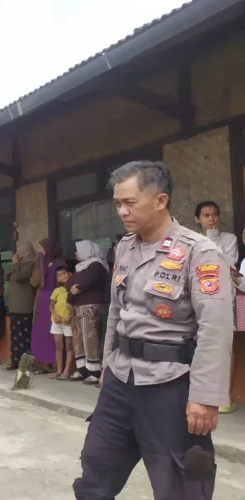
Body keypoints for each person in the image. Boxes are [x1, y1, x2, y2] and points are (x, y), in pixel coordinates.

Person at [73, 160, 232, 500]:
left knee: (181, 483)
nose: (122, 211)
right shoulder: (126, 246)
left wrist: (205, 397)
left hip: (170, 385)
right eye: (117, 203)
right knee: (95, 470)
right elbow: (117, 309)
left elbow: (215, 329)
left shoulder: (200, 252)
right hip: (121, 378)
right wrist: (107, 363)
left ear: (160, 200)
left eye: (130, 202)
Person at [195, 200, 239, 414]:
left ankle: (226, 397)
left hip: (223, 300)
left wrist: (212, 239)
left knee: (224, 349)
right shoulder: (192, 241)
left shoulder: (229, 239)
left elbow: (228, 263)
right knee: (198, 347)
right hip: (197, 302)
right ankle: (199, 396)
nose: (211, 219)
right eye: (206, 215)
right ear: (198, 219)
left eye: (214, 214)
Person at [67, 240, 110, 386]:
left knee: (90, 338)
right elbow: (69, 283)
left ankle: (94, 371)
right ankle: (82, 368)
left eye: (78, 250)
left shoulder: (96, 265)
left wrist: (74, 288)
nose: (75, 253)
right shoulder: (79, 267)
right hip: (77, 306)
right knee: (78, 338)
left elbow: (83, 284)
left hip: (91, 306)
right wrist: (72, 289)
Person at [30, 238, 66, 373]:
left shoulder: (59, 264)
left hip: (54, 301)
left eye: (41, 248)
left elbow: (63, 283)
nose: (39, 251)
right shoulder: (42, 264)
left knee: (53, 332)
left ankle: (57, 364)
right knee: (41, 332)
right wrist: (39, 265)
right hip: (41, 301)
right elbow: (33, 282)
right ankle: (45, 364)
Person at [5, 241, 38, 371]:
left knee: (25, 338)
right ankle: (15, 361)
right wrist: (15, 264)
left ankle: (26, 364)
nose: (17, 253)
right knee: (15, 337)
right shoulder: (19, 265)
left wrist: (16, 264)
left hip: (25, 308)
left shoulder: (30, 265)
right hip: (15, 307)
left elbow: (19, 277)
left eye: (20, 251)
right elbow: (6, 275)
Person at [48, 265, 74, 380]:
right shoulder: (57, 291)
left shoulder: (73, 290)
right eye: (59, 275)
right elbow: (51, 306)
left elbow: (75, 307)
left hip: (68, 323)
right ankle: (59, 370)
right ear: (57, 279)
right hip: (57, 322)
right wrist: (55, 315)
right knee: (58, 347)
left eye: (64, 273)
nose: (62, 276)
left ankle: (67, 371)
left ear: (70, 274)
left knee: (69, 347)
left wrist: (70, 316)